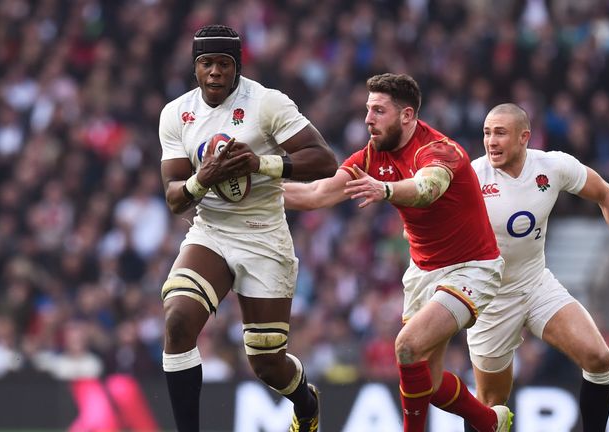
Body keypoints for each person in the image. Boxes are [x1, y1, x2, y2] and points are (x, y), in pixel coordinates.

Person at [284, 73, 513, 432]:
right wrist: (253, 192)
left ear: (407, 116)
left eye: (378, 111)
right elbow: (317, 194)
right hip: (424, 272)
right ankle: (490, 422)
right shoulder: (373, 155)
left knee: (406, 347)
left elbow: (428, 187)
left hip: (471, 268)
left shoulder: (440, 150)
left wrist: (385, 189)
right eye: (367, 110)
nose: (367, 119)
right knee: (431, 383)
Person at [158, 24, 337, 432]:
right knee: (178, 321)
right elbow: (174, 198)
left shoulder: (266, 103)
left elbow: (324, 159)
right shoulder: (176, 113)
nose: (216, 72)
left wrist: (263, 163)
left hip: (263, 235)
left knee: (267, 364)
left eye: (224, 63)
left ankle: (306, 403)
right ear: (195, 68)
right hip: (212, 230)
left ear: (237, 66)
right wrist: (203, 178)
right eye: (207, 64)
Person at [465, 103, 609, 432]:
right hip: (491, 301)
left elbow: (606, 194)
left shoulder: (552, 167)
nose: (490, 141)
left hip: (535, 284)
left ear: (524, 137)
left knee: (599, 359)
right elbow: (431, 211)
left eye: (500, 132)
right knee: (491, 409)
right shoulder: (472, 177)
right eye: (486, 133)